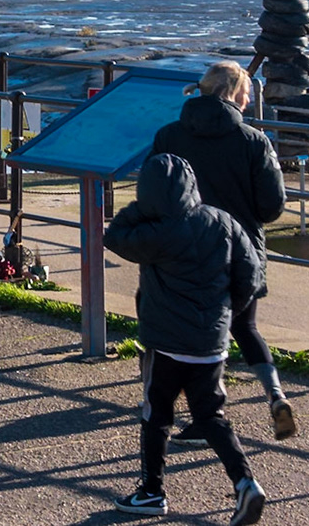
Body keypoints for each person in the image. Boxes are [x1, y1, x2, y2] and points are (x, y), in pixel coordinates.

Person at [105, 153, 267, 523]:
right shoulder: (222, 222)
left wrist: (141, 207)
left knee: (157, 413)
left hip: (165, 342)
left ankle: (151, 490)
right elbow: (251, 276)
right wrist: (226, 313)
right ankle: (245, 482)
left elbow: (113, 236)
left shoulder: (157, 233)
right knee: (210, 416)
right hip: (210, 343)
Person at [149, 60, 293, 440]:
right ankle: (275, 394)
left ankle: (203, 416)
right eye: (246, 95)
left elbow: (154, 192)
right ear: (233, 94)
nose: (248, 103)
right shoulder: (253, 141)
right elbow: (272, 206)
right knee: (245, 327)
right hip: (241, 249)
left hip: (185, 251)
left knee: (196, 335)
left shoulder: (169, 136)